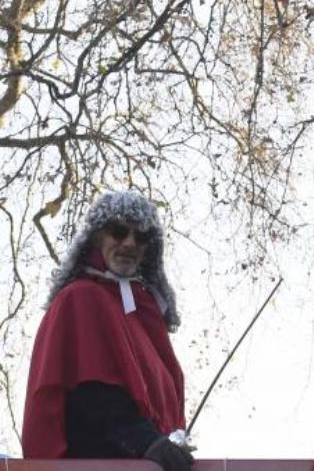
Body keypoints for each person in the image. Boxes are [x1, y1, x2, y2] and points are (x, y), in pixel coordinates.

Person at [22, 190, 193, 471]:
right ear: (96, 237)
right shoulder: (82, 297)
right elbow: (92, 390)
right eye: (118, 231)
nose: (130, 243)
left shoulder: (143, 312)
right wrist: (146, 441)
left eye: (141, 237)